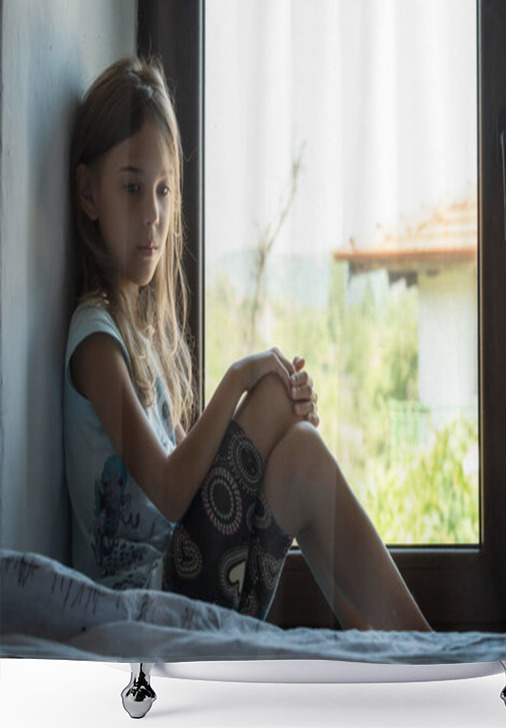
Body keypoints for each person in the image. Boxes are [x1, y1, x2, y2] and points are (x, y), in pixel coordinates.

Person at [63, 54, 431, 632]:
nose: (153, 214)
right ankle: (414, 653)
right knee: (270, 397)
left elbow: (196, 477)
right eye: (131, 188)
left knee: (302, 448)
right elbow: (168, 491)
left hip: (190, 583)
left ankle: (409, 649)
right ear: (89, 195)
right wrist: (239, 382)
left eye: (162, 191)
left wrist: (279, 417)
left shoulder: (141, 339)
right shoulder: (95, 341)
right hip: (148, 601)